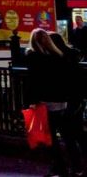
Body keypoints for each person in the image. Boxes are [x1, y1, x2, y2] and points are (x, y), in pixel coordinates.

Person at [25, 28, 83, 176]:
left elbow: (32, 82)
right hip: (62, 102)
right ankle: (76, 167)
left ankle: (59, 167)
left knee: (50, 140)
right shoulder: (61, 57)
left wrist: (31, 101)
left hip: (45, 104)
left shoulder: (34, 57)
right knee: (68, 137)